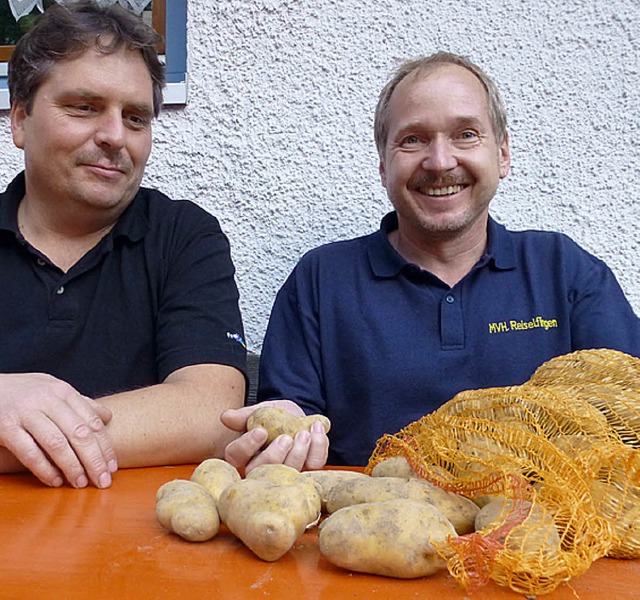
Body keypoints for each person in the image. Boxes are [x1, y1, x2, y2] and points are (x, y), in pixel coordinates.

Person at [222, 51, 640, 470]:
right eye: (413, 139)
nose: (440, 162)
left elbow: (628, 406)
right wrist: (283, 438)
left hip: (542, 527)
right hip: (370, 524)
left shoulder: (564, 272)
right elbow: (291, 417)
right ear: (384, 165)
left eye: (466, 134)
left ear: (503, 153)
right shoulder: (320, 281)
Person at [0, 1, 246, 489]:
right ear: (21, 121)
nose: (115, 136)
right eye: (84, 107)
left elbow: (208, 410)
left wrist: (20, 430)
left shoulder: (183, 235)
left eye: (135, 118)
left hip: (139, 544)